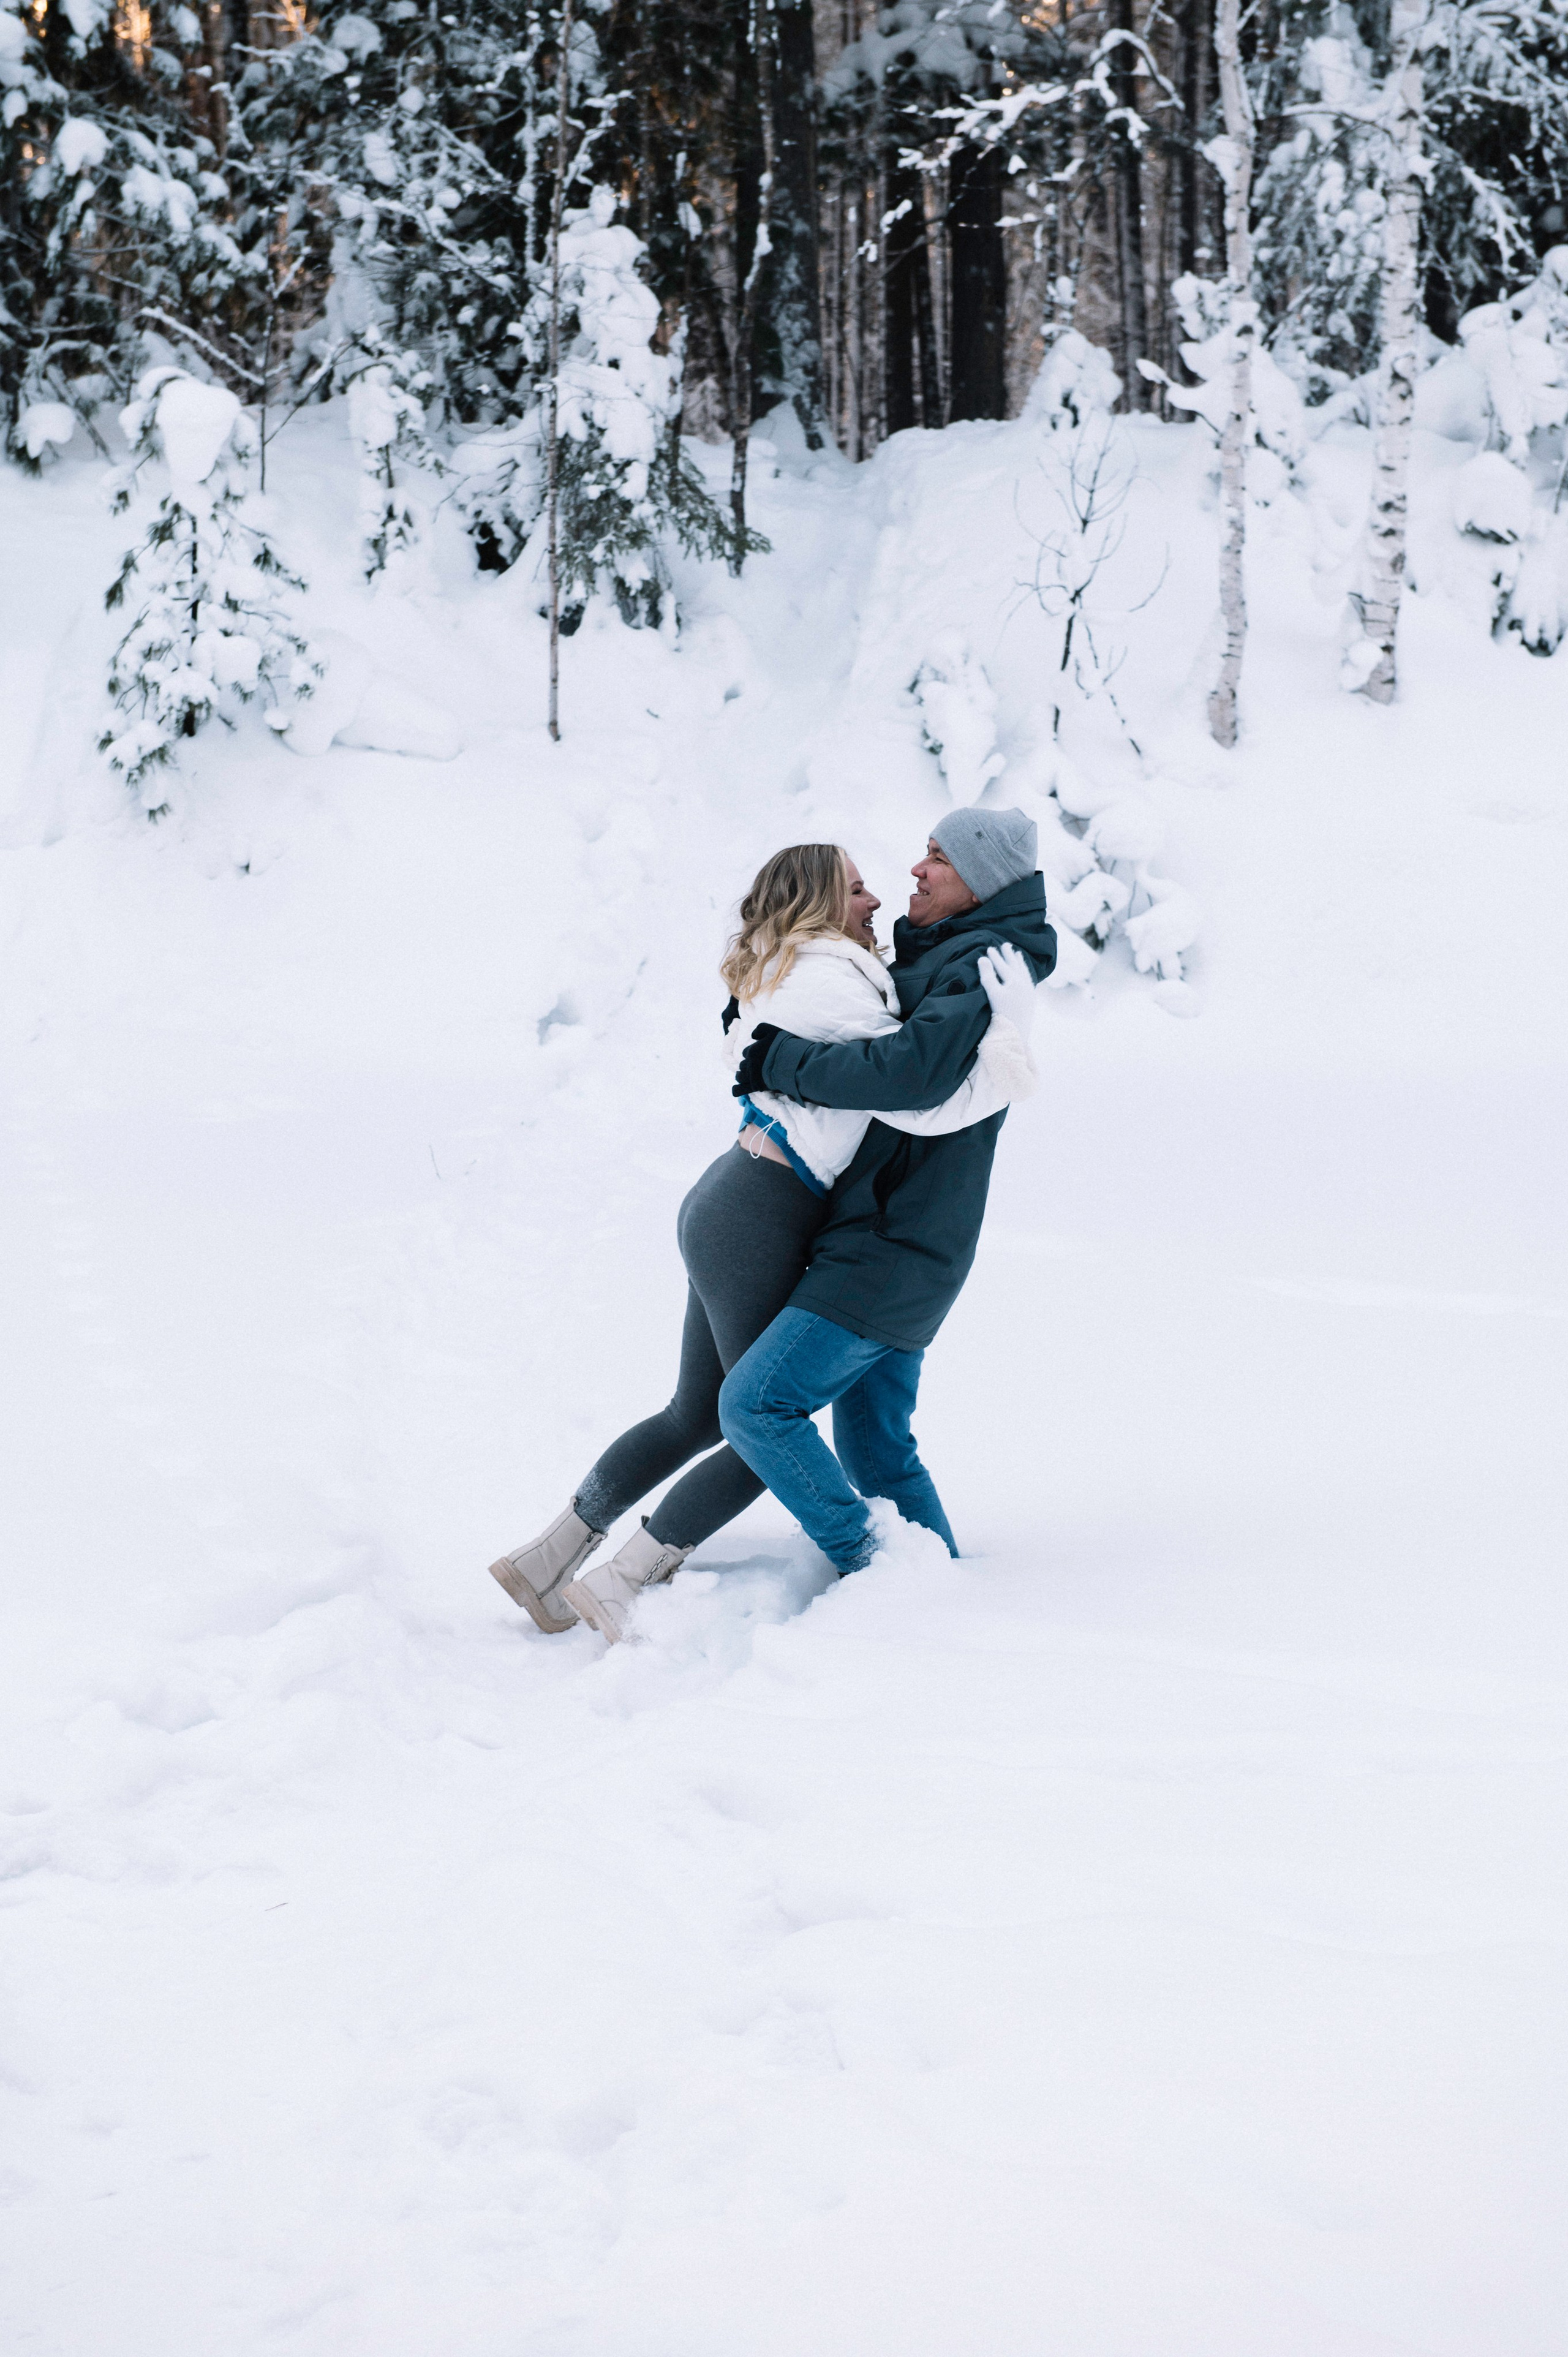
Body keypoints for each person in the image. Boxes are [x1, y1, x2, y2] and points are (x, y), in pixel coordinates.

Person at [489, 839, 1038, 1641]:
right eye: (857, 890)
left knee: (699, 1414)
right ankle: (621, 1581)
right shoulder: (833, 981)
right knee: (762, 1422)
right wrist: (1006, 1062)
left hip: (736, 1201)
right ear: (819, 901)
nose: (875, 903)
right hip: (760, 1211)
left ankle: (548, 1561)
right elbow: (914, 1096)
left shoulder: (808, 971)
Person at [716, 805, 1056, 1576]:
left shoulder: (980, 964)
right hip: (894, 1236)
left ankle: (873, 1562)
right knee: (878, 1452)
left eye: (937, 856)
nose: (916, 869)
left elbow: (907, 1076)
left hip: (894, 1242)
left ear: (979, 881)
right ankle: (933, 1593)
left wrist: (779, 1061)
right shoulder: (946, 952)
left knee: (754, 1406)